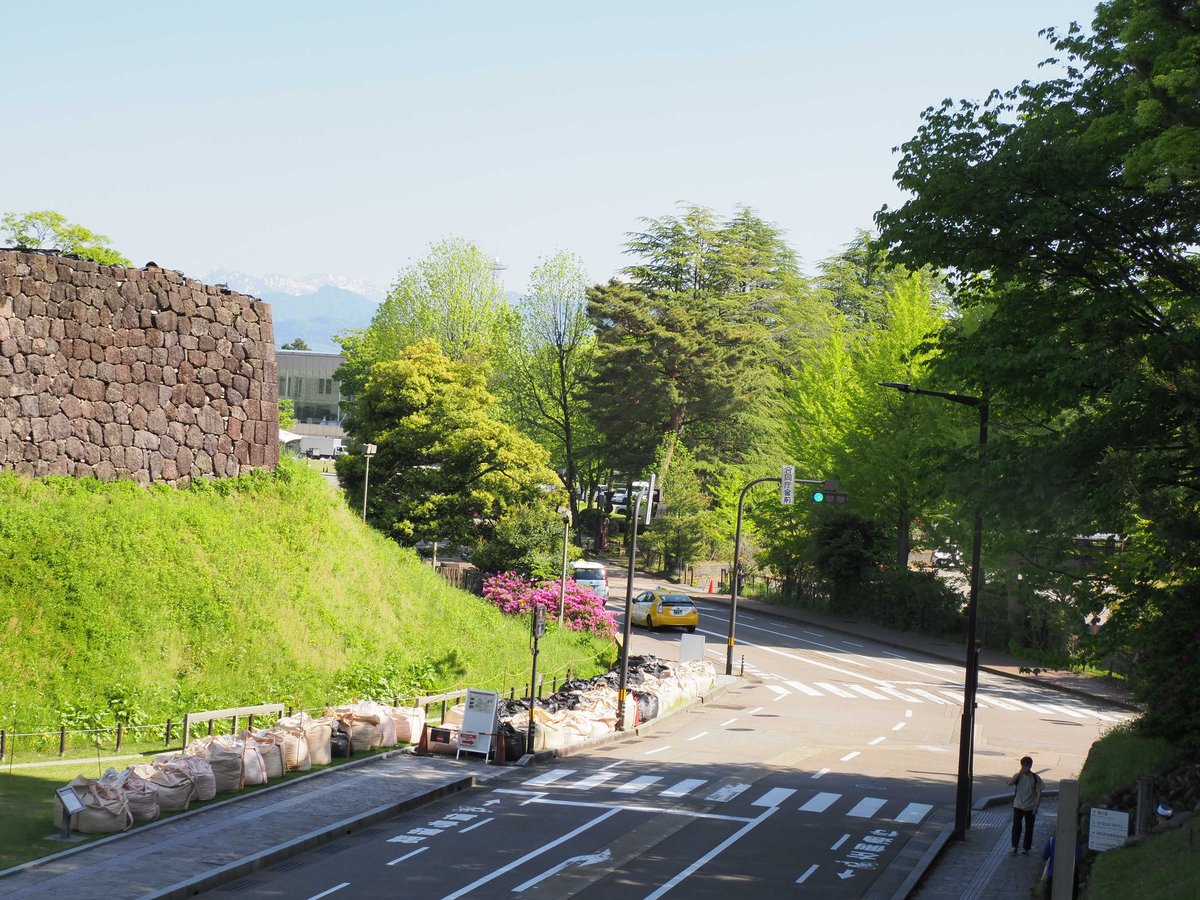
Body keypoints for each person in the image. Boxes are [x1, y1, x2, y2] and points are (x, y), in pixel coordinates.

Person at [1008, 755, 1044, 855]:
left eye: (1027, 766)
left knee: (1029, 828)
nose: (1025, 768)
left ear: (1031, 766)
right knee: (1016, 826)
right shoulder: (1018, 776)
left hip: (1030, 806)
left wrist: (1036, 807)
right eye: (1024, 766)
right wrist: (1018, 774)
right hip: (1018, 805)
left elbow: (1039, 793)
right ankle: (1014, 846)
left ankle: (1026, 848)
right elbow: (1010, 783)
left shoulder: (1035, 778)